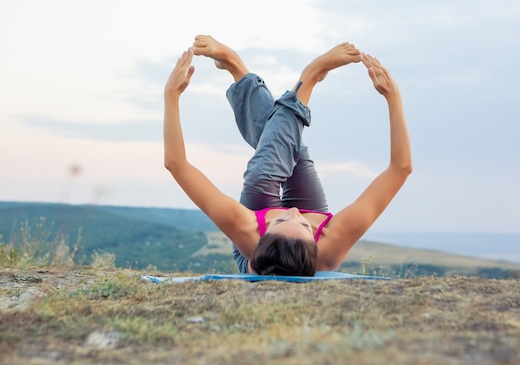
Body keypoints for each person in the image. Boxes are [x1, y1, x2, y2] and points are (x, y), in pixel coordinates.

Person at [163, 35, 412, 276]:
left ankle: (308, 76)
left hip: (256, 234)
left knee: (264, 169)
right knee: (292, 149)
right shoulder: (333, 242)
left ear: (263, 234)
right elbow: (400, 169)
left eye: (281, 221)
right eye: (305, 225)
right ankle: (238, 69)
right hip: (301, 233)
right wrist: (394, 97)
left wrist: (171, 96)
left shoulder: (246, 229)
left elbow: (176, 165)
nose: (294, 211)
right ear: (316, 243)